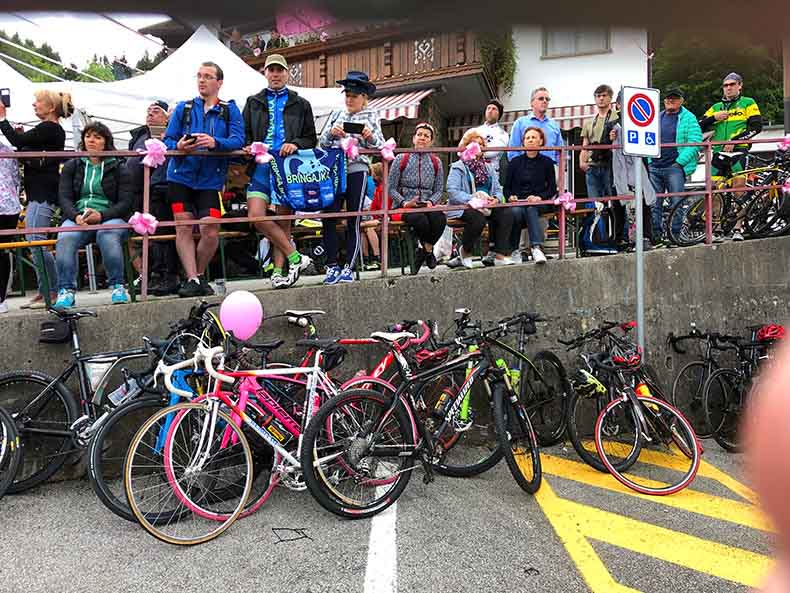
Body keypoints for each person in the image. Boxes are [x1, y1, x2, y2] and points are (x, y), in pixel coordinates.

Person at [164, 61, 245, 298]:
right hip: (180, 177)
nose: (202, 80)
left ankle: (197, 275)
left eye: (208, 76)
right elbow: (167, 141)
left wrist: (215, 143)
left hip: (210, 180)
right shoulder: (184, 108)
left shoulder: (230, 109)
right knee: (184, 226)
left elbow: (238, 140)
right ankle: (192, 277)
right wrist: (178, 146)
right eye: (199, 76)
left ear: (219, 82)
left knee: (210, 229)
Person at [243, 53, 316, 289]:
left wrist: (295, 143)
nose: (275, 74)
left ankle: (278, 271)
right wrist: (246, 145)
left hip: (288, 167)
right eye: (271, 70)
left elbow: (310, 139)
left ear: (287, 73)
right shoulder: (253, 101)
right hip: (262, 164)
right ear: (265, 73)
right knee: (256, 215)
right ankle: (296, 258)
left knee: (284, 221)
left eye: (279, 70)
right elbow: (244, 133)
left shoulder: (301, 103)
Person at [0, 90, 72, 309]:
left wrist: (3, 119)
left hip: (43, 192)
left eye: (38, 102)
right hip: (39, 190)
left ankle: (51, 289)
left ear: (50, 107)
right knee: (35, 241)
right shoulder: (50, 130)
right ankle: (46, 289)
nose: (34, 105)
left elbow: (17, 141)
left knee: (36, 242)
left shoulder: (50, 128)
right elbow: (24, 144)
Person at [53, 122, 134, 309]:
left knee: (107, 234)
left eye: (97, 137)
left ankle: (117, 286)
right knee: (65, 237)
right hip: (79, 217)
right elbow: (64, 197)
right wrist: (75, 217)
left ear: (106, 142)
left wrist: (102, 215)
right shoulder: (72, 165)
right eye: (88, 136)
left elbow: (126, 202)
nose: (91, 140)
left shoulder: (119, 167)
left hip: (110, 216)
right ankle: (66, 291)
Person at [319, 70, 385, 284]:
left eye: (354, 95)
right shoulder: (337, 113)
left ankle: (348, 266)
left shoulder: (372, 115)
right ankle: (331, 265)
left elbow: (381, 147)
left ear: (364, 97)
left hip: (358, 169)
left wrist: (369, 137)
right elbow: (322, 143)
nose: (349, 99)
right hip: (334, 169)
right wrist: (332, 134)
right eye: (347, 94)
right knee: (328, 217)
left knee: (353, 220)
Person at [699, 72, 762, 242]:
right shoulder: (717, 106)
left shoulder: (748, 103)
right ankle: (717, 229)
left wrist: (735, 140)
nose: (728, 88)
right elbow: (699, 124)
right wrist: (714, 117)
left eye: (732, 84)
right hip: (719, 151)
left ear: (740, 85)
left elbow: (757, 127)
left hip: (739, 151)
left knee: (739, 189)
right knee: (714, 189)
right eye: (725, 85)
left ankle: (737, 229)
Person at [127, 100, 180, 295]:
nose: (150, 113)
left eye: (156, 111)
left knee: (162, 233)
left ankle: (168, 275)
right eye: (148, 111)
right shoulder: (139, 136)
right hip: (138, 193)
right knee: (145, 235)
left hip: (161, 187)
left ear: (167, 118)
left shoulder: (172, 136)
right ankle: (150, 274)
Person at [446, 130, 514, 269]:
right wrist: (473, 199)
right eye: (474, 143)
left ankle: (500, 254)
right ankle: (465, 251)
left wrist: (496, 199)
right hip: (464, 206)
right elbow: (452, 191)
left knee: (506, 212)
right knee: (477, 218)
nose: (478, 146)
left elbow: (497, 189)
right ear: (466, 146)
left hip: (487, 205)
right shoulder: (458, 166)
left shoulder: (488, 167)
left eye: (481, 144)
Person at [387, 122, 446, 274]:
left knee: (440, 218)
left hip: (427, 204)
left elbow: (439, 190)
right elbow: (390, 188)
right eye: (419, 135)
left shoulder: (436, 162)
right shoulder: (401, 158)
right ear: (413, 138)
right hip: (404, 205)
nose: (422, 138)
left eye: (426, 136)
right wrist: (404, 202)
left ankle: (423, 251)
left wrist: (431, 202)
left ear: (431, 141)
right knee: (420, 220)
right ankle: (428, 251)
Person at [648, 88, 702, 245]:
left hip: (674, 168)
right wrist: (650, 161)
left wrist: (679, 163)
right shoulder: (656, 117)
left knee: (676, 202)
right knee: (653, 204)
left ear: (681, 101)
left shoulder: (689, 118)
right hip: (655, 166)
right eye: (667, 98)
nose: (670, 101)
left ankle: (675, 235)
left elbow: (695, 141)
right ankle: (656, 237)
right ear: (663, 101)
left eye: (674, 98)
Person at [610, 91, 656, 249]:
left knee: (643, 205)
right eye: (622, 102)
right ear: (617, 105)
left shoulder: (642, 123)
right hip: (620, 172)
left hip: (639, 170)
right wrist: (609, 139)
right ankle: (624, 240)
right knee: (623, 207)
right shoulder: (613, 125)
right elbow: (601, 146)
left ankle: (647, 237)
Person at [505, 127, 556, 265]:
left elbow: (552, 189)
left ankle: (536, 247)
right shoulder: (514, 162)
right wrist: (511, 197)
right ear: (523, 142)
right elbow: (507, 189)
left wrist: (539, 197)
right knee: (515, 211)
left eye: (534, 137)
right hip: (519, 202)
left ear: (540, 141)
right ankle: (514, 250)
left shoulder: (547, 162)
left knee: (531, 208)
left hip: (540, 202)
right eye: (527, 138)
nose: (530, 140)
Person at [580, 84, 624, 245]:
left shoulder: (617, 118)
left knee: (616, 202)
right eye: (598, 96)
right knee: (595, 204)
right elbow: (585, 144)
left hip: (611, 165)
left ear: (610, 98)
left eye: (604, 95)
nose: (601, 98)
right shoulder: (589, 122)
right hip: (593, 166)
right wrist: (582, 161)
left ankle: (618, 237)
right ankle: (598, 238)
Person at [507, 87, 564, 165]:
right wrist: (520, 169)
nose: (545, 101)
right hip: (526, 169)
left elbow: (560, 152)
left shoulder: (554, 125)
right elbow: (513, 151)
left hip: (550, 170)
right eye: (541, 98)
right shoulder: (520, 123)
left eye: (547, 99)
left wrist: (559, 169)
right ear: (532, 103)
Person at [0, 140, 21, 313]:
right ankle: (1, 298)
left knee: (3, 251)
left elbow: (16, 180)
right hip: (9, 206)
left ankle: (1, 298)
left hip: (7, 208)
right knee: (2, 251)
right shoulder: (8, 150)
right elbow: (16, 181)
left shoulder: (7, 151)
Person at [470, 99, 509, 177]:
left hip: (491, 172)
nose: (490, 111)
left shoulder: (503, 134)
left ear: (499, 114)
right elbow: (464, 148)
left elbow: (492, 152)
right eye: (488, 108)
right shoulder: (475, 130)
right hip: (472, 171)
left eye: (494, 109)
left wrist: (474, 151)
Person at [361, 162, 383, 270]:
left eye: (373, 174)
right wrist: (366, 210)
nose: (371, 177)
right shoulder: (377, 189)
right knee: (361, 228)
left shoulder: (384, 189)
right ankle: (365, 259)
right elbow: (373, 207)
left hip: (386, 219)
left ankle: (377, 257)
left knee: (368, 227)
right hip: (377, 218)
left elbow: (384, 208)